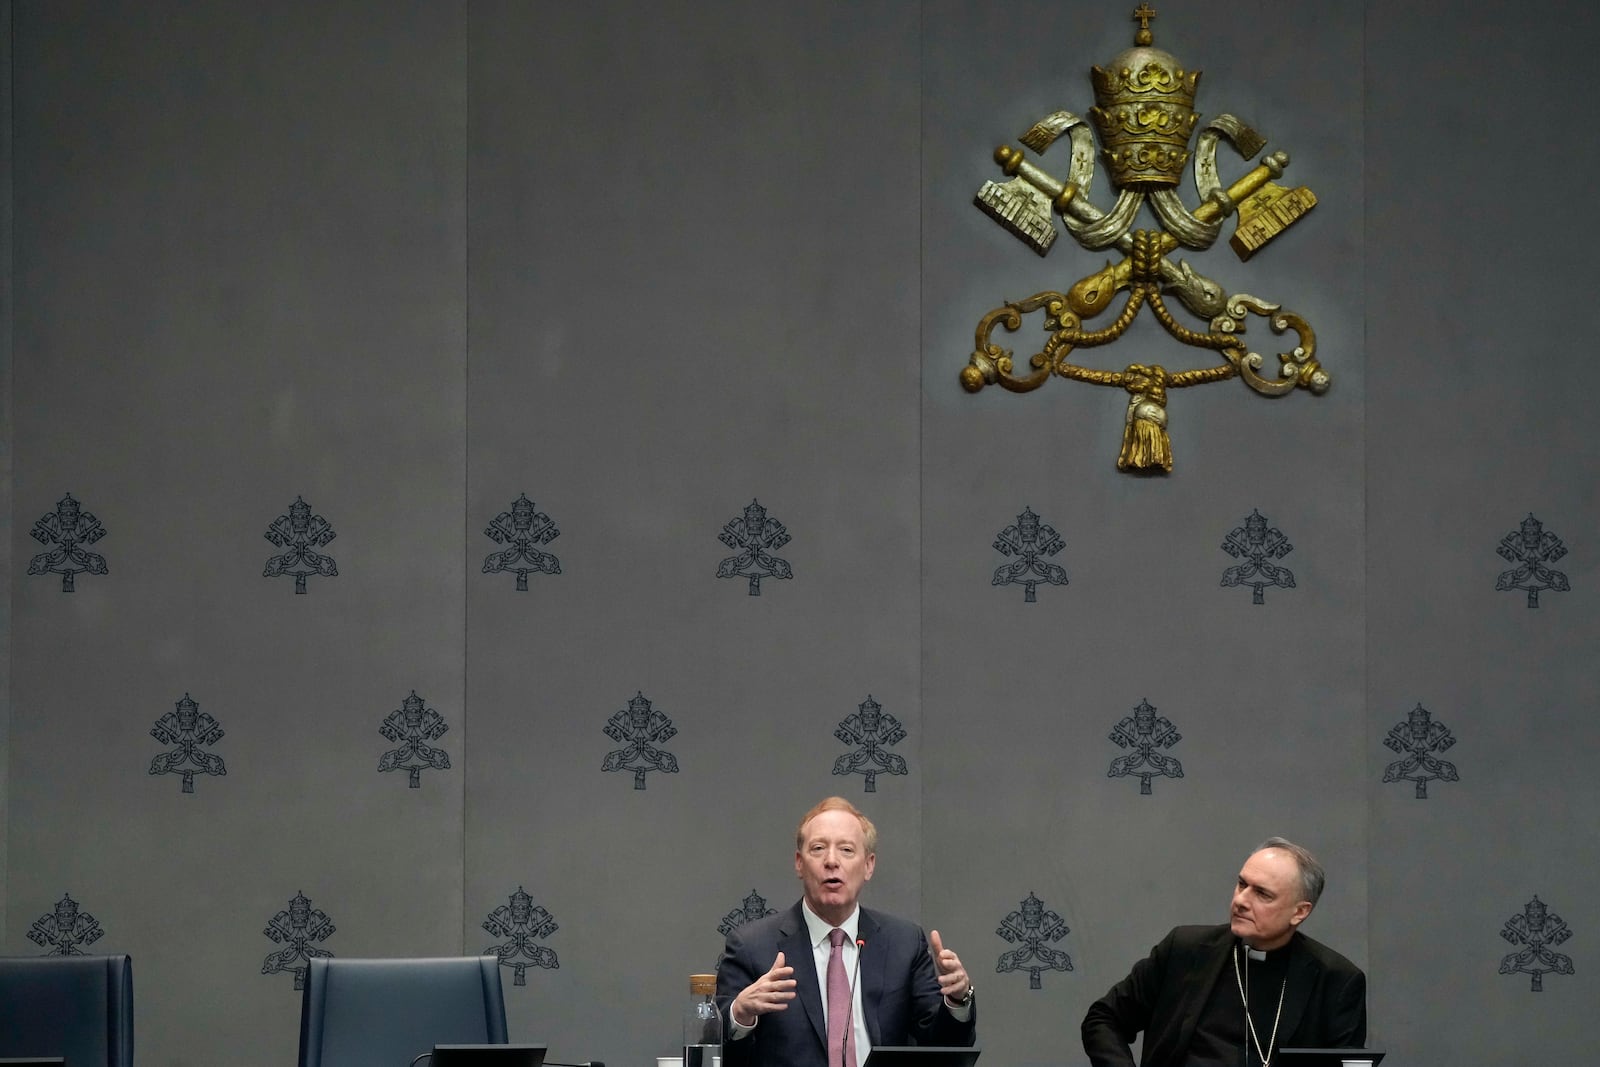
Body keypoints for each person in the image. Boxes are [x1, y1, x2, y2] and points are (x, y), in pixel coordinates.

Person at [717, 797, 977, 1067]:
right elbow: (720, 1052)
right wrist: (740, 1014)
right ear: (799, 863)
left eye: (846, 850)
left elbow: (943, 1048)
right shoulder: (752, 946)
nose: (831, 861)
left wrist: (958, 1001)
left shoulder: (904, 943)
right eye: (818, 848)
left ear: (868, 865)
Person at [1081, 837, 1366, 1067]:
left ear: (1299, 912)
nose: (1241, 900)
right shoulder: (1186, 949)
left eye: (1262, 894)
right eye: (1242, 884)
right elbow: (1103, 1018)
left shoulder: (1336, 980)